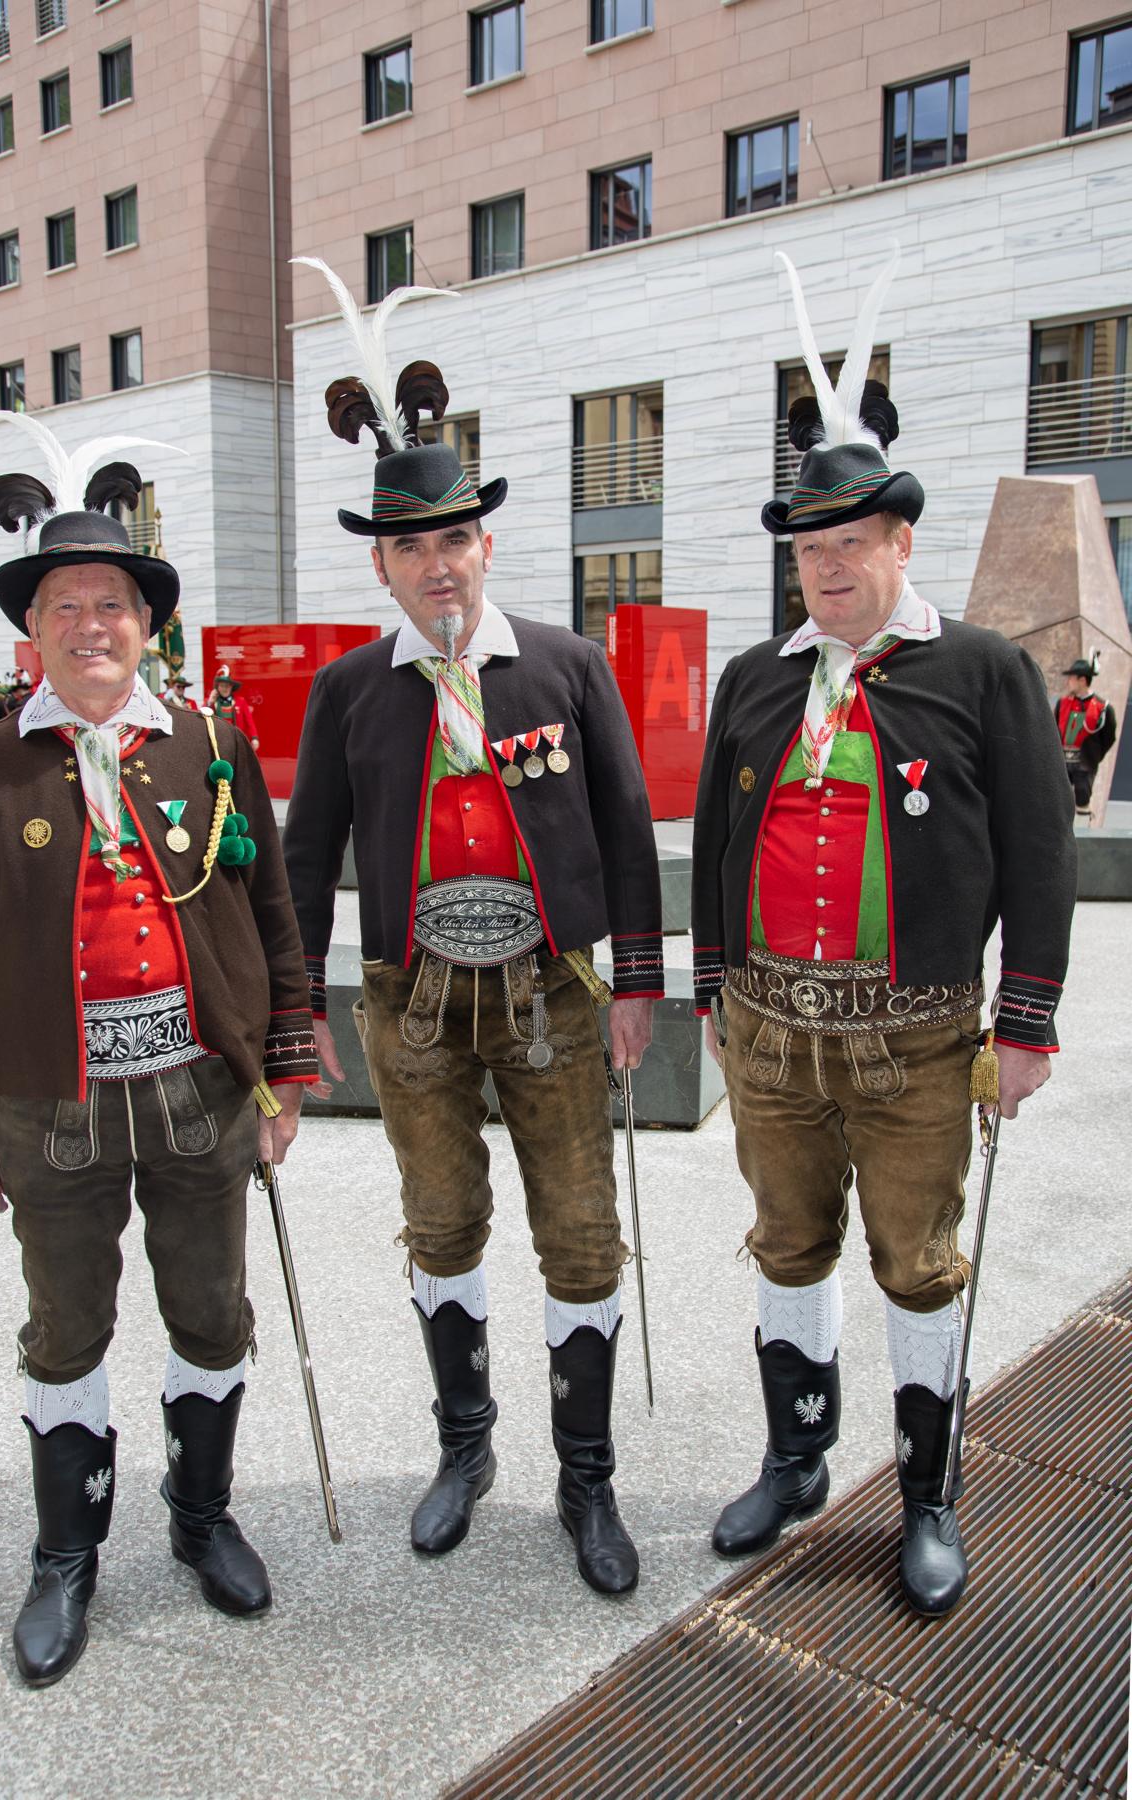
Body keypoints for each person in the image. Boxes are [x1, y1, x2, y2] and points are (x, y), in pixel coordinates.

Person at [690, 249, 1077, 1619]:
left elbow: (1041, 855)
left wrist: (1023, 1020)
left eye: (850, 546)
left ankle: (925, 1494)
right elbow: (720, 841)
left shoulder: (980, 673)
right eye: (808, 550)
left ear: (901, 542)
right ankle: (797, 1464)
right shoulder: (755, 677)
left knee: (917, 1259)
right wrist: (709, 992)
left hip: (917, 1039)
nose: (827, 570)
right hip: (772, 1035)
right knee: (786, 1242)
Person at [283, 261, 663, 1594]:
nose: (435, 566)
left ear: (484, 543)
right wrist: (291, 1019)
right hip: (415, 999)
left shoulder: (566, 664)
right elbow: (303, 854)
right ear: (380, 562)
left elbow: (625, 827)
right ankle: (466, 1447)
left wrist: (639, 988)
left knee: (579, 1230)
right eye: (409, 547)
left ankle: (588, 1480)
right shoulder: (346, 692)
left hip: (554, 989)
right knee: (440, 1222)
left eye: (454, 540)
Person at [0, 412, 317, 1687]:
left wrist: (288, 1067)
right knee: (67, 1328)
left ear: (146, 622)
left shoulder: (207, 746)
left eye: (111, 602)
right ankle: (66, 1552)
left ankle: (201, 1519)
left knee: (211, 1313)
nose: (89, 626)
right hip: (56, 1105)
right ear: (28, 630)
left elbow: (269, 909)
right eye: (62, 606)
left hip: (205, 1088)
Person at [1056, 655, 1117, 816]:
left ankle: (1083, 836)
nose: (1068, 681)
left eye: (1071, 678)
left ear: (1082, 680)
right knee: (1058, 800)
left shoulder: (1102, 708)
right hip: (1062, 761)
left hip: (1084, 762)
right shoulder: (1063, 703)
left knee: (1082, 799)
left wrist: (1094, 756)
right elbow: (1054, 730)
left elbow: (1108, 737)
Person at [209, 665, 259, 749]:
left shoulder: (241, 701)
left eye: (227, 686)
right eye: (222, 686)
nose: (224, 689)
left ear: (231, 687)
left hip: (236, 742)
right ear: (217, 688)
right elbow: (203, 718)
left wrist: (254, 738)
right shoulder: (213, 702)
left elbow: (249, 722)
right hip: (218, 743)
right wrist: (210, 702)